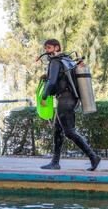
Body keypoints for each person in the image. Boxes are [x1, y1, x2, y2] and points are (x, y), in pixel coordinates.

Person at [40, 39, 101, 171]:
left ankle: (93, 156)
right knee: (57, 130)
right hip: (70, 99)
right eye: (46, 48)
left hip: (65, 100)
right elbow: (60, 79)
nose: (47, 51)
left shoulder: (56, 61)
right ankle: (55, 162)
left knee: (69, 132)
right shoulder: (66, 60)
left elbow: (52, 82)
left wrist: (44, 97)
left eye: (49, 47)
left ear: (57, 47)